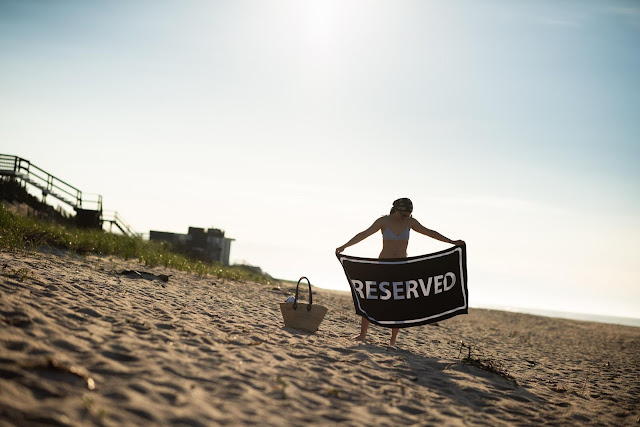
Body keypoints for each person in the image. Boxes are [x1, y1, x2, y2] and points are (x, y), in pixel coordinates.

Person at [335, 198, 464, 346]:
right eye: (403, 214)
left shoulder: (410, 222)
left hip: (402, 267)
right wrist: (345, 246)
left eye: (408, 214)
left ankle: (393, 341)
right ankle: (362, 334)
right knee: (370, 298)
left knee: (399, 303)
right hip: (383, 265)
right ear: (395, 209)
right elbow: (363, 234)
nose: (405, 217)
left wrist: (452, 242)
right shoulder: (383, 221)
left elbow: (430, 232)